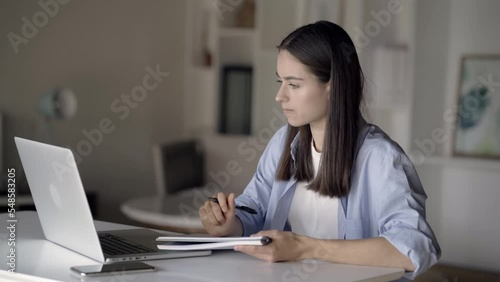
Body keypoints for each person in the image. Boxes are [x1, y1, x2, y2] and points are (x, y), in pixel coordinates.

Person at [198, 21, 440, 280]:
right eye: (280, 81)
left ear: (332, 86)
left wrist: (306, 247)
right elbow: (255, 208)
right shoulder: (283, 143)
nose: (280, 96)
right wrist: (228, 223)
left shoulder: (381, 159)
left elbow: (414, 247)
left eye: (293, 84)